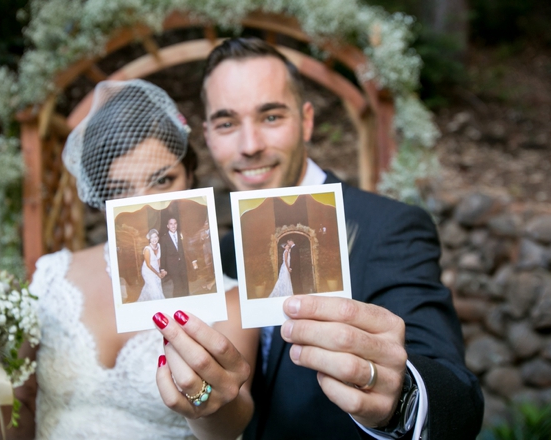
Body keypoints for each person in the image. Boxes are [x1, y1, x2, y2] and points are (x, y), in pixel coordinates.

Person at [0, 80, 257, 438]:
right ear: (100, 195)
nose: (143, 203)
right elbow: (21, 404)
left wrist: (210, 404)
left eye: (163, 180)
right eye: (120, 189)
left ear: (189, 176)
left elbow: (230, 423)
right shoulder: (53, 276)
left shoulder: (230, 303)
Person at [202, 38, 484, 439]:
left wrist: (401, 398)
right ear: (209, 134)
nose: (250, 146)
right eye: (227, 123)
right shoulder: (223, 251)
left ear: (307, 121)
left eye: (271, 117)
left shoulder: (389, 227)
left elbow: (455, 392)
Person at [160, 217, 190, 297]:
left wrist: (193, 261)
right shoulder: (164, 239)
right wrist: (162, 268)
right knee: (177, 285)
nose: (173, 226)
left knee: (185, 284)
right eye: (171, 224)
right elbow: (163, 255)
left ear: (177, 225)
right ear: (167, 226)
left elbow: (186, 248)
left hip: (183, 265)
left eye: (175, 223)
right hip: (172, 266)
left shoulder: (181, 235)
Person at [137, 228, 167, 302]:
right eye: (152, 237)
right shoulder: (147, 249)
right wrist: (157, 274)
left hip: (156, 268)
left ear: (158, 237)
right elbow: (148, 265)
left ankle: (142, 302)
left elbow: (158, 259)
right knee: (154, 288)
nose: (154, 239)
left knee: (153, 286)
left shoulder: (159, 246)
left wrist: (160, 271)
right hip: (148, 271)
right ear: (149, 239)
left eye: (155, 237)